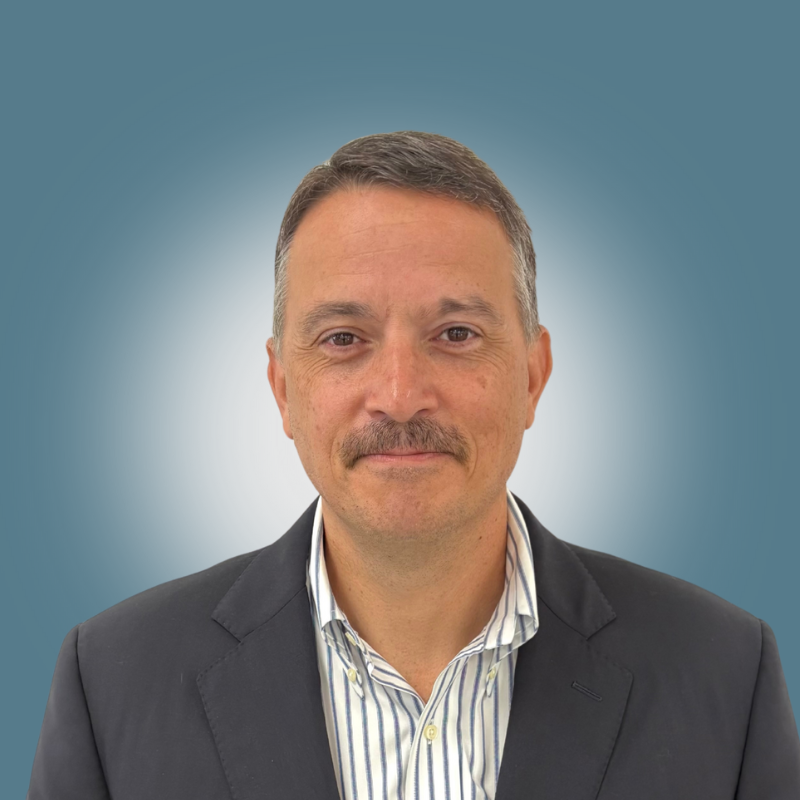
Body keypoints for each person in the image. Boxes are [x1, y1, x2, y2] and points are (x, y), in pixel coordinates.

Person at [28, 131, 799, 800]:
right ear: (283, 389)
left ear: (532, 375)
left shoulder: (726, 675)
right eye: (343, 339)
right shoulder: (114, 680)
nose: (399, 396)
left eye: (457, 333)